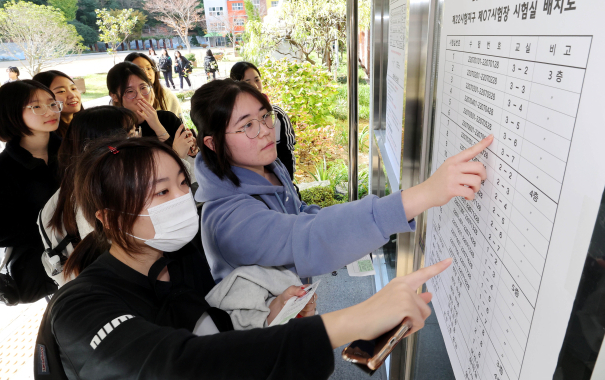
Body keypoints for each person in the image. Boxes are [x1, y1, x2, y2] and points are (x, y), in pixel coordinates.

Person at [38, 136, 452, 379]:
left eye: (183, 183)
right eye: (161, 193)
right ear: (111, 219)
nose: (184, 200)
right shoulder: (78, 307)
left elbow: (218, 333)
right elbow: (180, 366)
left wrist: (269, 313)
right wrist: (352, 321)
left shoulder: (184, 254)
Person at [191, 80, 492, 283]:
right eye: (247, 126)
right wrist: (425, 194)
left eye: (265, 116)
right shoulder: (227, 219)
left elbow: (301, 216)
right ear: (213, 144)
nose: (267, 131)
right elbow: (308, 238)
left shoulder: (266, 167)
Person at [38, 106, 138, 286]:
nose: (138, 139)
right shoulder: (97, 192)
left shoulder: (75, 183)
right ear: (106, 144)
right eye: (129, 134)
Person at [0, 80, 62, 303]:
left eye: (52, 103)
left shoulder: (72, 150)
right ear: (12, 113)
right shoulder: (4, 168)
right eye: (36, 106)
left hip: (92, 254)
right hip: (46, 268)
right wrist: (50, 224)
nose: (50, 111)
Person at [108, 62, 196, 159]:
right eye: (129, 91)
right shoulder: (111, 128)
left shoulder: (168, 119)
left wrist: (193, 146)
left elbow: (187, 158)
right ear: (114, 96)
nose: (140, 97)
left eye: (143, 87)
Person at [230, 62, 297, 179]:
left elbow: (287, 151)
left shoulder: (277, 114)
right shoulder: (233, 121)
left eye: (257, 80)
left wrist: (287, 183)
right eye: (247, 82)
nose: (255, 86)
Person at [124, 52, 182, 117]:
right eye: (139, 70)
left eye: (148, 68)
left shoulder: (166, 95)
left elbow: (181, 124)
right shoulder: (125, 99)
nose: (146, 73)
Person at [32, 70, 84, 138]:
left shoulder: (88, 124)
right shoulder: (49, 137)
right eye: (61, 91)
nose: (72, 95)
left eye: (73, 88)